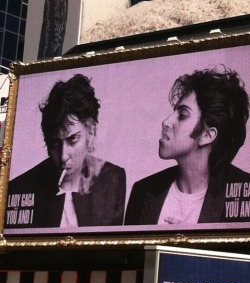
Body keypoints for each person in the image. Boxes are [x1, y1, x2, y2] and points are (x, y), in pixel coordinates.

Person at [125, 67, 250, 226]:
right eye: (174, 112)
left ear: (207, 135)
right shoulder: (144, 190)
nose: (166, 122)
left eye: (182, 115)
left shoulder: (245, 191)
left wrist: (196, 243)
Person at [5, 74, 126, 229]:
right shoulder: (20, 188)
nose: (63, 157)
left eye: (72, 139)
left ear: (91, 132)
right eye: (55, 144)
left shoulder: (113, 177)